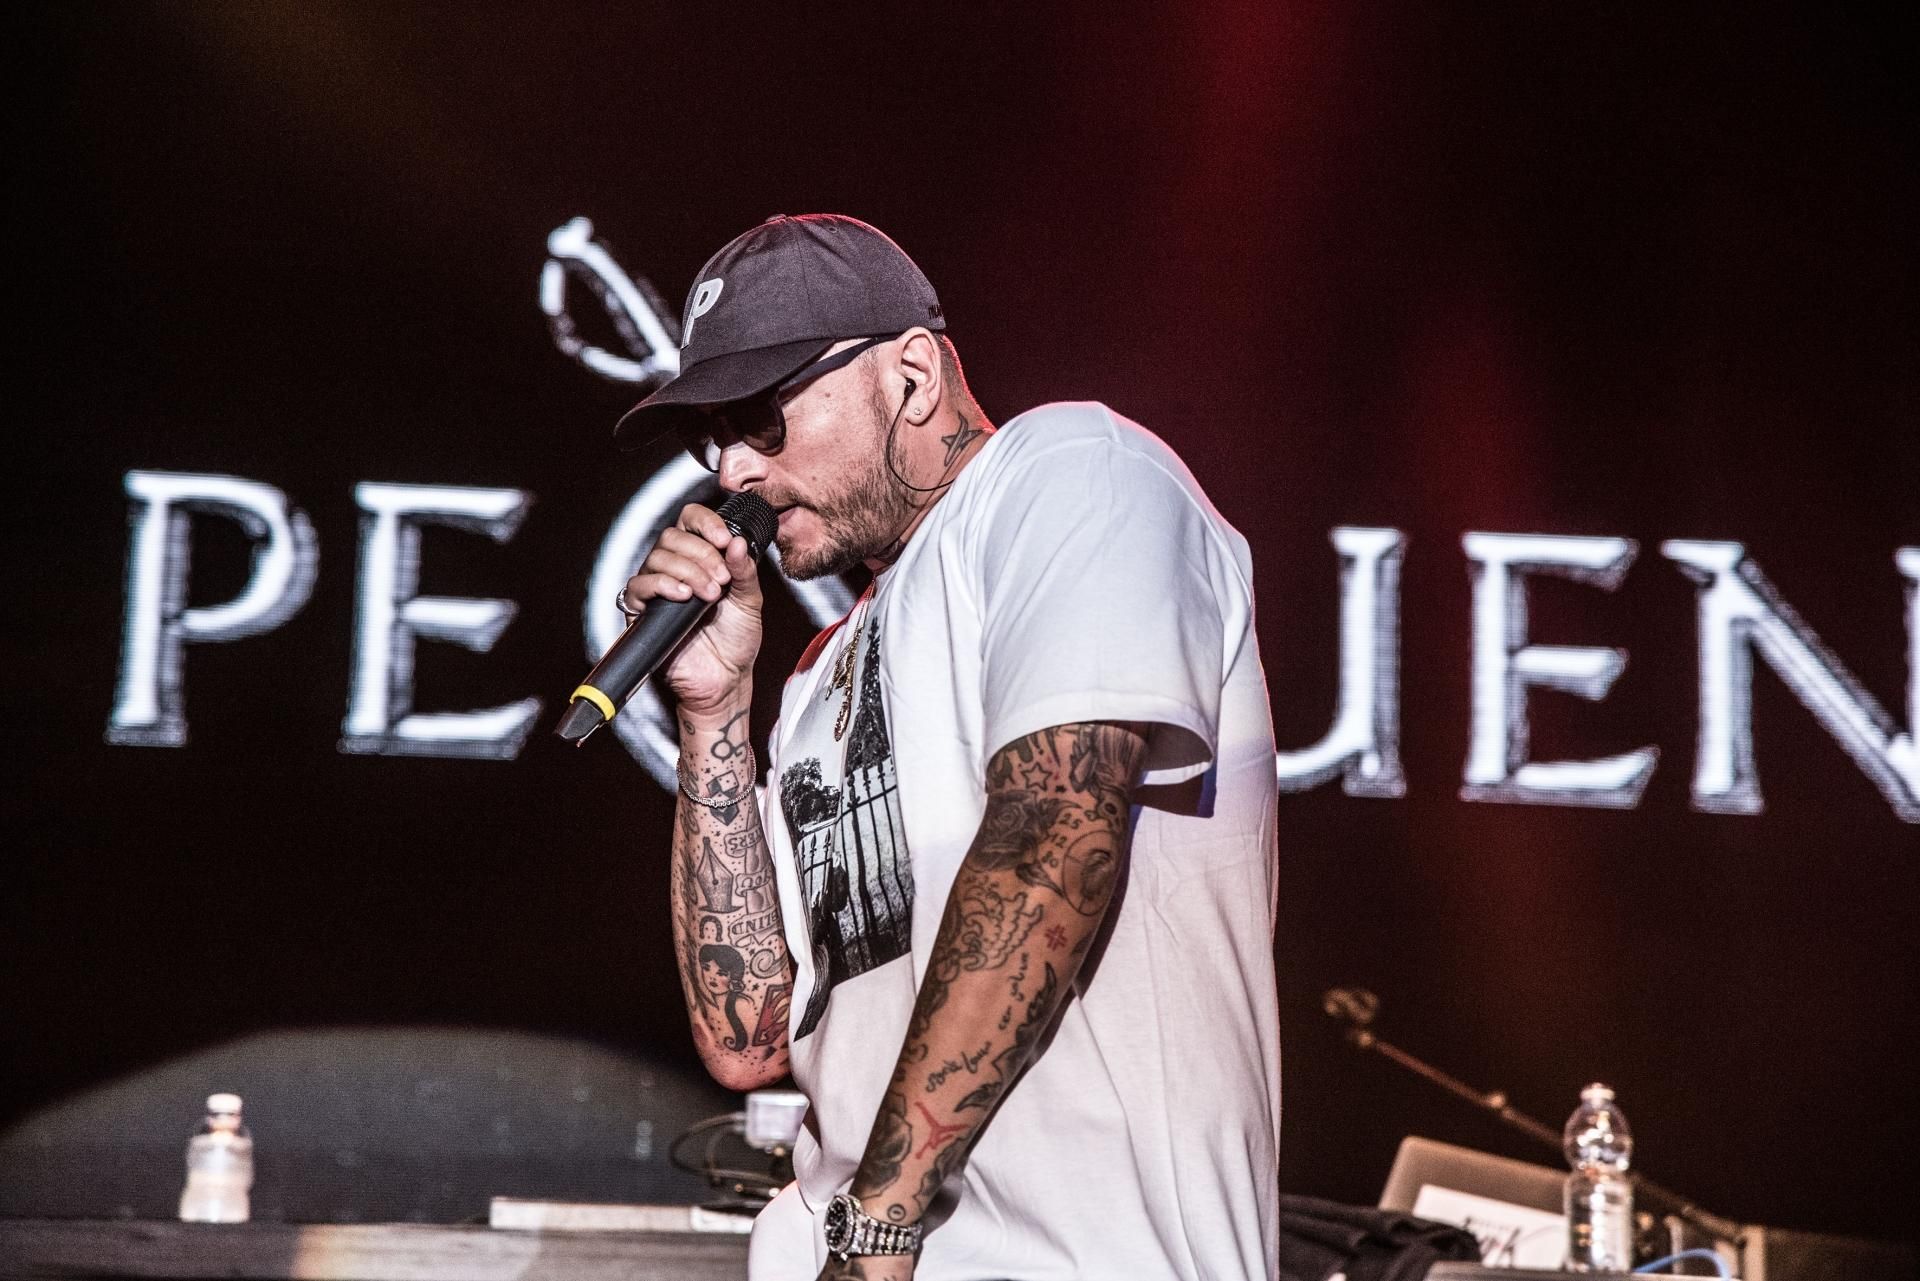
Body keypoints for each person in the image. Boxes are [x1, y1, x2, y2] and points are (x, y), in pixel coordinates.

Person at [615, 214, 1280, 1281]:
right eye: (712, 437)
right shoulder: (820, 674)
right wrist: (713, 715)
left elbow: (1054, 840)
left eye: (760, 419)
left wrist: (882, 1223)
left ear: (914, 375)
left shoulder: (1069, 472)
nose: (732, 468)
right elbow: (748, 1040)